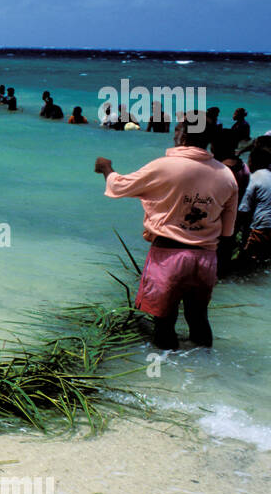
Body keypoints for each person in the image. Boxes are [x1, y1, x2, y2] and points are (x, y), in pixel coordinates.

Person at [94, 115, 238, 349]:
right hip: (205, 258)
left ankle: (165, 378)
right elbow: (228, 230)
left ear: (183, 134)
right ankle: (204, 370)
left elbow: (119, 186)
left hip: (169, 255)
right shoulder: (226, 175)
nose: (174, 133)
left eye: (178, 128)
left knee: (164, 322)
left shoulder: (164, 165)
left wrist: (106, 169)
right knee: (198, 318)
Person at [234, 144, 271, 270]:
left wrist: (232, 234)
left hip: (260, 230)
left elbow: (243, 210)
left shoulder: (254, 178)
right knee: (262, 268)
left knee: (244, 269)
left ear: (252, 160)